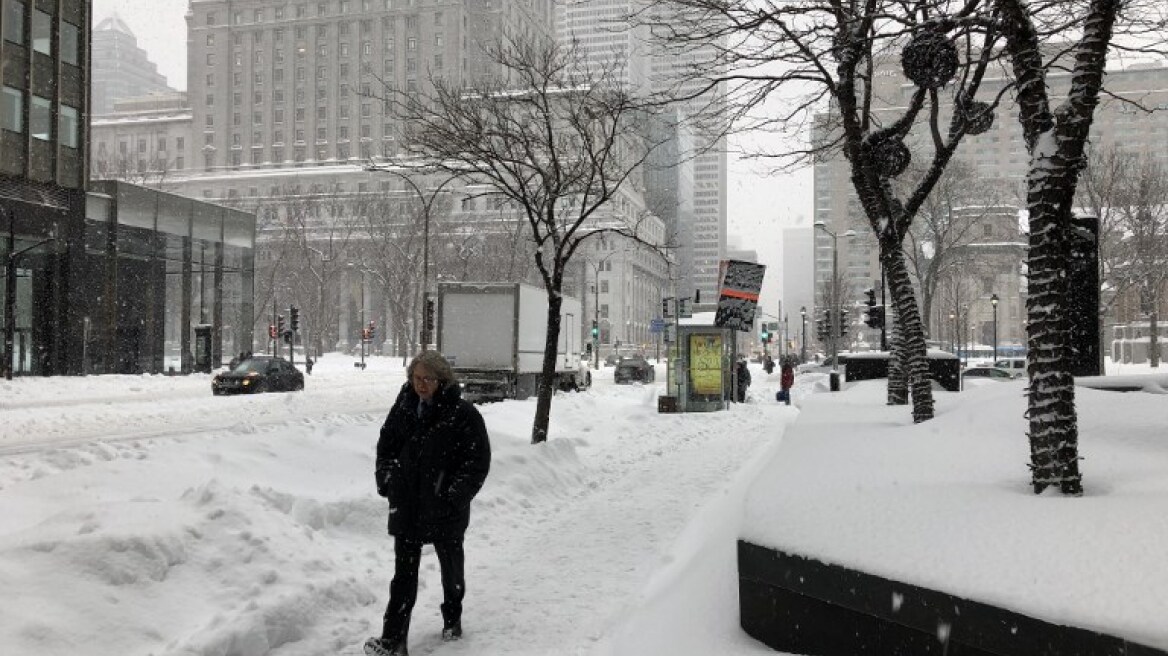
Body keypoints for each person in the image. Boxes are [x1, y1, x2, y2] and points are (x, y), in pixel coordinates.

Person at [365, 351, 491, 656]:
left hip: (445, 509)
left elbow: (477, 461)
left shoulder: (462, 414)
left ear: (442, 380)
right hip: (407, 504)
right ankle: (394, 641)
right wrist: (387, 478)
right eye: (416, 378)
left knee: (451, 569)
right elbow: (387, 446)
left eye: (428, 379)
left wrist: (453, 497)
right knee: (403, 576)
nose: (421, 384)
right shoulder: (404, 407)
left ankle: (452, 617)